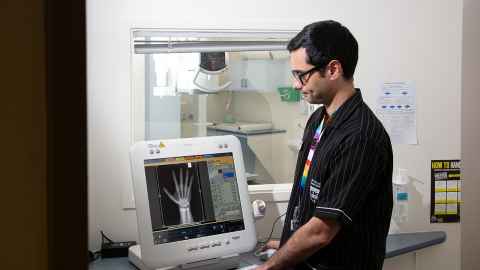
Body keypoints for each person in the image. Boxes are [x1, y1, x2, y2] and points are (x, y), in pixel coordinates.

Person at [255, 20, 393, 270]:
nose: (296, 84)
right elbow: (308, 198)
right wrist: (287, 243)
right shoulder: (319, 119)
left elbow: (321, 231)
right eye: (294, 75)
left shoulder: (361, 137)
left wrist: (268, 267)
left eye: (302, 75)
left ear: (333, 70)